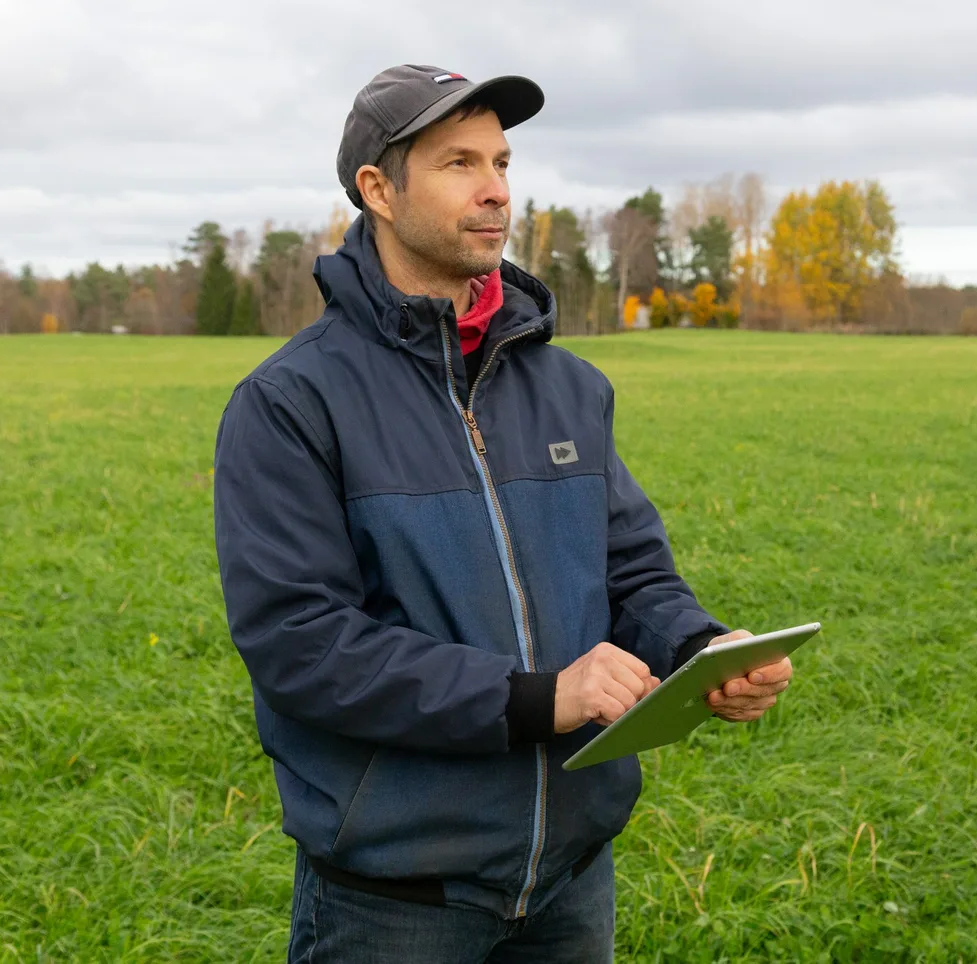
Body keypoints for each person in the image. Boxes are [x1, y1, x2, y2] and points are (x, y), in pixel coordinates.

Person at [211, 65, 794, 963]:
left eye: (502, 161)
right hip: (397, 898)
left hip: (571, 879)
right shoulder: (293, 402)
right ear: (377, 189)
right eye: (457, 164)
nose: (496, 190)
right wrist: (535, 699)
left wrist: (695, 649)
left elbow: (630, 568)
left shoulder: (569, 388)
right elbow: (303, 644)